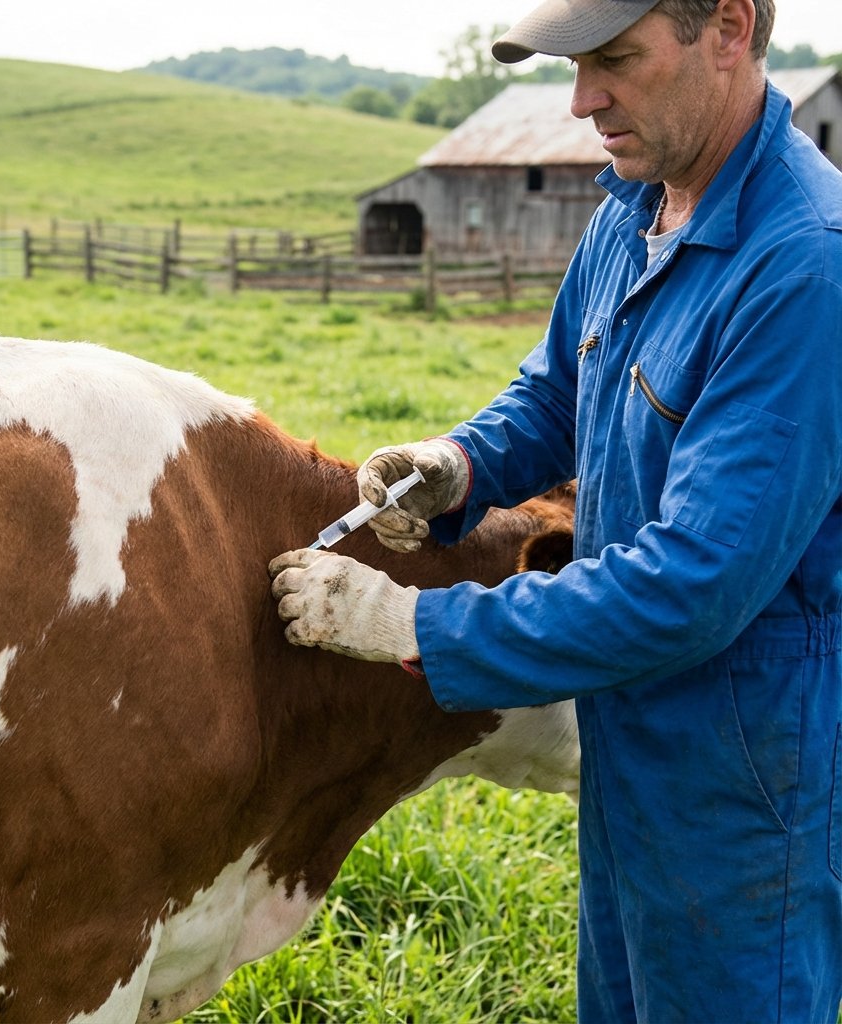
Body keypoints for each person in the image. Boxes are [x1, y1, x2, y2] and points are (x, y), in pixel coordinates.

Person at [269, 0, 842, 1020]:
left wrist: (412, 623)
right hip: (629, 739)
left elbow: (694, 584)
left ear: (729, 26)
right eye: (574, 67)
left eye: (615, 59)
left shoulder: (804, 265)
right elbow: (556, 394)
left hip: (745, 777)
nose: (582, 102)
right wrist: (456, 464)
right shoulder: (637, 205)